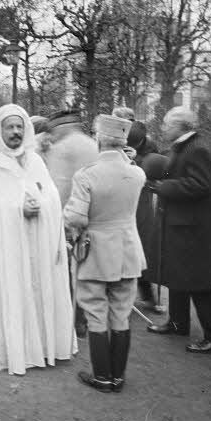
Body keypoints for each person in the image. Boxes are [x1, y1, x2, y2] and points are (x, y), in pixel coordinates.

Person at [0, 104, 77, 375]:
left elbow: (51, 195)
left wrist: (41, 203)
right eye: (9, 127)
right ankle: (14, 350)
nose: (15, 132)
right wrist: (18, 208)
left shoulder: (35, 161)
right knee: (13, 290)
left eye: (19, 126)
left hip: (36, 241)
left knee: (36, 289)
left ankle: (41, 346)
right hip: (7, 247)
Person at [64, 114, 147, 393]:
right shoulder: (137, 173)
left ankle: (102, 376)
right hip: (127, 250)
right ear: (123, 142)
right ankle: (118, 377)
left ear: (99, 139)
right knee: (121, 313)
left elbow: (76, 218)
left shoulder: (86, 174)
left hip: (96, 251)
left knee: (96, 312)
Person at [145, 106, 211, 354]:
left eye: (166, 124)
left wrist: (162, 187)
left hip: (193, 228)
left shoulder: (196, 148)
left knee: (198, 282)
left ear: (179, 126)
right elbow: (177, 173)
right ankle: (177, 323)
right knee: (177, 276)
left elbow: (200, 185)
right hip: (183, 225)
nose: (162, 128)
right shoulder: (184, 146)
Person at [42, 109, 100, 338]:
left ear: (61, 127)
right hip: (94, 217)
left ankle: (74, 321)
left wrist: (57, 219)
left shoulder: (62, 148)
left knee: (65, 270)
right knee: (86, 270)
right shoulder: (91, 144)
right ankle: (86, 318)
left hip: (69, 217)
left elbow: (59, 186)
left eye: (53, 129)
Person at [128, 121, 168, 314]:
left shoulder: (150, 149)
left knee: (140, 250)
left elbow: (158, 171)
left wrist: (136, 159)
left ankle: (149, 298)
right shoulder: (116, 143)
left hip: (141, 202)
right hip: (122, 199)